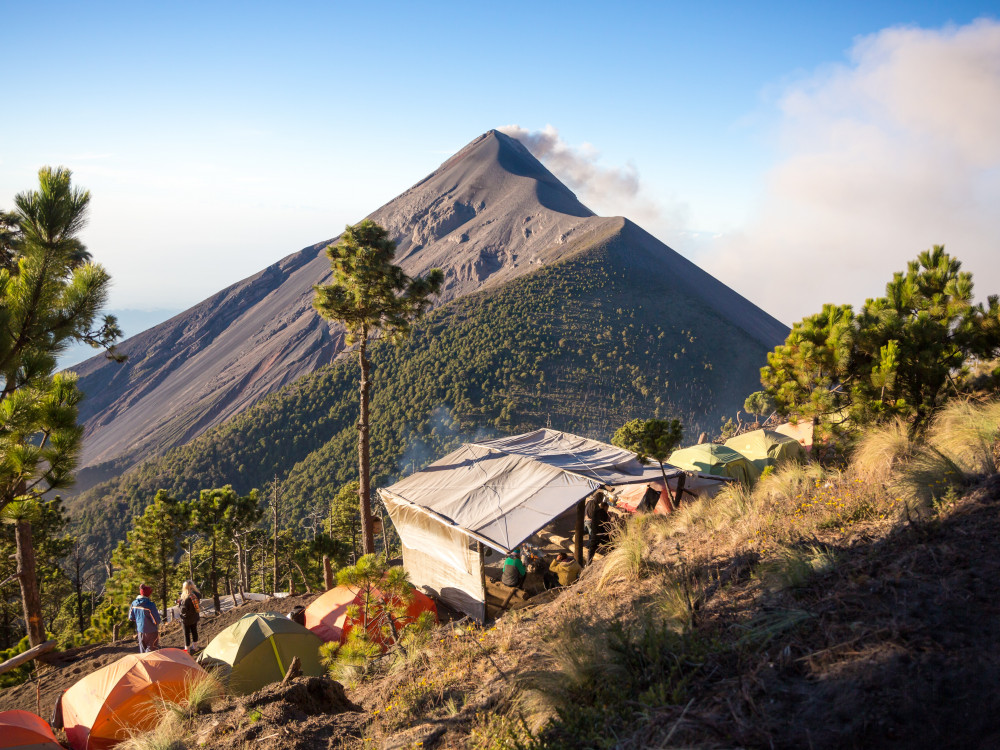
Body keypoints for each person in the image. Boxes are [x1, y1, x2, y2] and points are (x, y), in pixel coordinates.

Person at [129, 584, 161, 653]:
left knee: (143, 652)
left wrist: (139, 621)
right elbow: (156, 621)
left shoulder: (134, 603)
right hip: (151, 632)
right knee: (151, 653)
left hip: (140, 631)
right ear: (148, 594)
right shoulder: (150, 605)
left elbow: (131, 617)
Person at [178, 579, 201, 653]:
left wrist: (179, 604)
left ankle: (187, 649)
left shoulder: (185, 598)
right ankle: (195, 647)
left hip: (186, 619)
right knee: (194, 631)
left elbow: (183, 610)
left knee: (186, 634)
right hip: (194, 617)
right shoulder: (196, 595)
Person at [586, 497, 611, 563]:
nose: (607, 510)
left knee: (591, 550)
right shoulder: (604, 513)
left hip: (595, 533)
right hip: (601, 534)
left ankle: (588, 563)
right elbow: (604, 524)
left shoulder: (595, 512)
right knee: (610, 546)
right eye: (607, 508)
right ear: (605, 507)